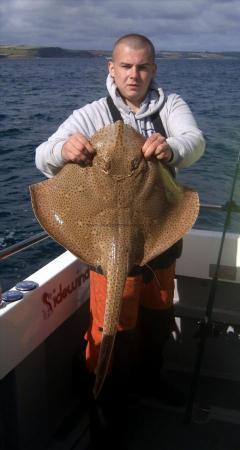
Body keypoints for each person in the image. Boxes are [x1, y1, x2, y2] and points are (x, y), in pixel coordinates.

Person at [35, 34, 205, 414]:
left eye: (142, 67)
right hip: (105, 239)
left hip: (159, 233)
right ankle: (105, 399)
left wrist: (171, 148)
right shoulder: (92, 114)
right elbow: (42, 156)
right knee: (113, 321)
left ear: (153, 70)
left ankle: (150, 380)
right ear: (111, 69)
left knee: (159, 315)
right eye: (126, 66)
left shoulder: (170, 106)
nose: (134, 75)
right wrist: (63, 150)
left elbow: (194, 141)